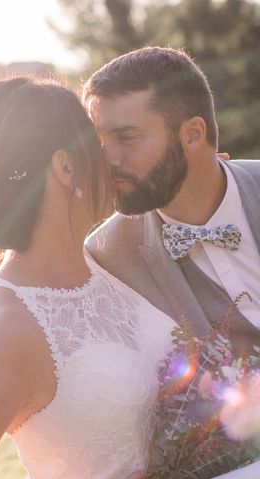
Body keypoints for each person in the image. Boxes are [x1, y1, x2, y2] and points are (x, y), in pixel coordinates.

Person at [0, 76, 175, 479]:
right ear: (66, 167)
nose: (109, 159)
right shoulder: (7, 329)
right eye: (96, 144)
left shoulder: (107, 260)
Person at [84, 47, 260, 356]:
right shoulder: (106, 257)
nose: (108, 159)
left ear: (192, 135)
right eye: (99, 143)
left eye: (126, 138)